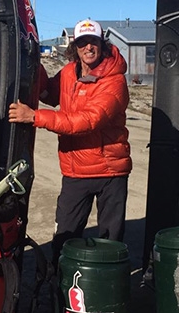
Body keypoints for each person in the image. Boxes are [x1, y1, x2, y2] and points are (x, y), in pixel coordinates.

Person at [9, 18, 131, 265]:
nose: (88, 48)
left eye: (93, 42)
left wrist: (34, 117)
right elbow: (49, 94)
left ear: (102, 44)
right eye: (83, 43)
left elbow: (87, 121)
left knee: (110, 241)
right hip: (75, 172)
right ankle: (60, 290)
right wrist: (32, 62)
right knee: (64, 237)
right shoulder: (68, 72)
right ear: (74, 47)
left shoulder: (114, 80)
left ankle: (107, 290)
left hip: (110, 172)